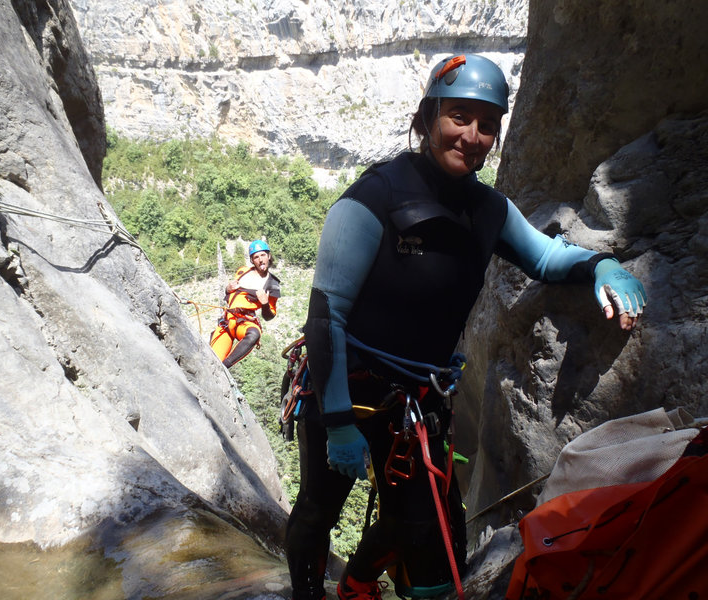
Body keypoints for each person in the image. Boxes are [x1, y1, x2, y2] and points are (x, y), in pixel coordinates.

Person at [285, 54, 647, 600]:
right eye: (459, 117)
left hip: (417, 403)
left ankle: (357, 581)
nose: (472, 136)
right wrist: (336, 421)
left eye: (487, 125)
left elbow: (546, 259)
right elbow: (327, 313)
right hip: (349, 389)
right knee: (318, 506)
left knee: (427, 531)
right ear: (429, 116)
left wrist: (600, 265)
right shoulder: (375, 196)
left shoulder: (488, 210)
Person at [209, 239, 281, 368]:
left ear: (269, 256)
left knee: (254, 334)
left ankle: (224, 368)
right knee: (212, 362)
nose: (260, 259)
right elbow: (230, 295)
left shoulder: (272, 285)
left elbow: (269, 316)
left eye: (263, 255)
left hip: (245, 322)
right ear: (252, 260)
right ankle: (217, 367)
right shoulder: (243, 271)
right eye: (256, 257)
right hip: (227, 321)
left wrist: (264, 303)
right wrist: (228, 288)